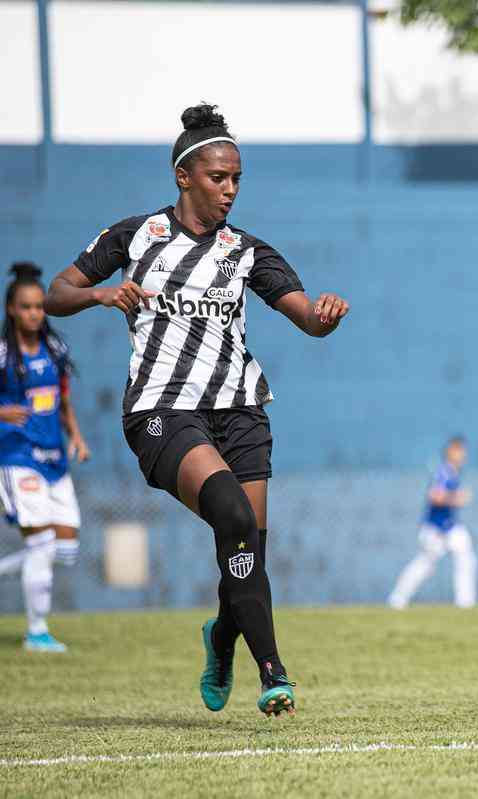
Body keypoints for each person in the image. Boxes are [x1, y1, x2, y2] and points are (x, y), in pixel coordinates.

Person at [44, 104, 349, 716]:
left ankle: (220, 637)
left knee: (246, 549)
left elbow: (305, 319)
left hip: (240, 412)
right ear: (184, 176)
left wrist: (323, 317)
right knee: (232, 517)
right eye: (218, 178)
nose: (230, 189)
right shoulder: (136, 236)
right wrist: (103, 294)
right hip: (162, 410)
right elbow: (57, 293)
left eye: (237, 178)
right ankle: (274, 675)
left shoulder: (249, 252)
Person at [0, 263, 89, 651]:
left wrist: (77, 435)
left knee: (65, 547)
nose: (35, 313)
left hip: (55, 457)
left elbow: (62, 397)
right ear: (11, 310)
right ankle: (37, 631)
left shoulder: (56, 348)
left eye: (39, 306)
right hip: (16, 455)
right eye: (27, 307)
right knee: (41, 543)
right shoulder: (3, 353)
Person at [387, 436, 478, 609]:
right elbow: (434, 496)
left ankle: (465, 602)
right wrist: (456, 498)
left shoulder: (452, 471)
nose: (463, 455)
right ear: (451, 451)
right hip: (436, 528)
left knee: (465, 557)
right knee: (425, 565)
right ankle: (397, 598)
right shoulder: (444, 472)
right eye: (459, 451)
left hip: (449, 526)